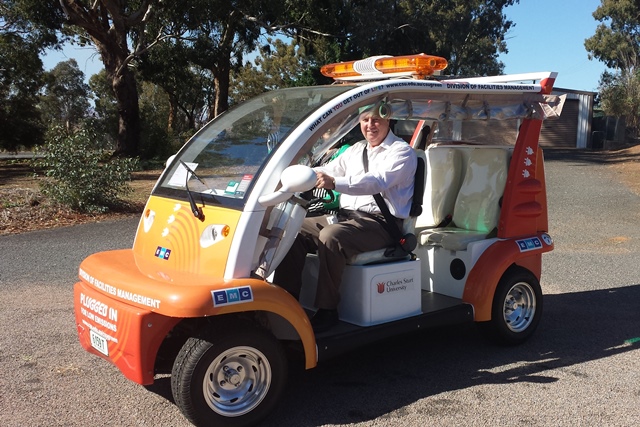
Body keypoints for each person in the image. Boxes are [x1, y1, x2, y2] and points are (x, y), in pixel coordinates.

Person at [274, 105, 418, 333]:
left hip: (380, 224)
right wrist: (291, 177)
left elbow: (376, 181)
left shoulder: (401, 152)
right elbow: (327, 169)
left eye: (375, 120)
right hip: (347, 219)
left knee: (331, 236)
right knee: (294, 227)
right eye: (365, 120)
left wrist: (335, 183)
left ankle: (327, 310)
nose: (370, 125)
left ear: (388, 119)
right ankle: (285, 303)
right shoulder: (355, 150)